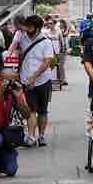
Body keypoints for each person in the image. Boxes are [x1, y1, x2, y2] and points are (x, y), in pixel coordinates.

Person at [16, 15, 57, 147]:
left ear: (37, 28)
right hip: (26, 80)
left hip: (43, 80)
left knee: (43, 110)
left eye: (30, 26)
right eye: (26, 26)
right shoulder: (22, 39)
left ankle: (41, 135)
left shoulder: (46, 42)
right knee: (31, 109)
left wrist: (34, 77)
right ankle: (31, 136)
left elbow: (47, 62)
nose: (27, 29)